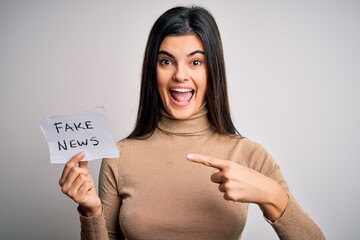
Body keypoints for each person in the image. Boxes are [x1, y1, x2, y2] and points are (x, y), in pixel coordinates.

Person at [59, 6, 325, 240]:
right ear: (153, 70)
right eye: (166, 61)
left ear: (212, 71)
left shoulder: (249, 155)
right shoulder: (120, 156)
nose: (180, 75)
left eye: (196, 62)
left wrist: (273, 196)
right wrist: (91, 211)